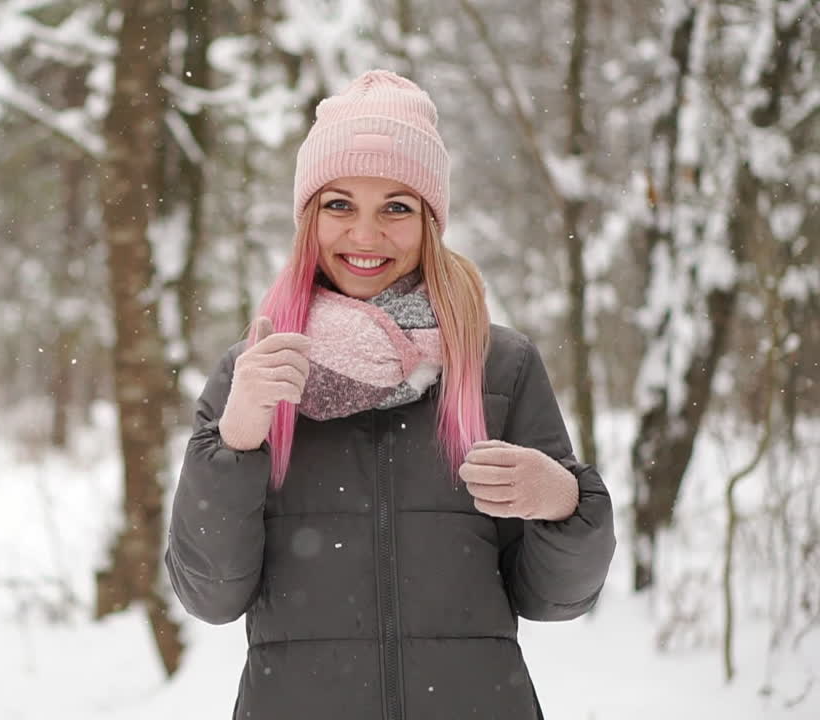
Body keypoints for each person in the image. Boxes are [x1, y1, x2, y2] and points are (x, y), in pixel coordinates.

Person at [164, 69, 616, 720]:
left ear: (430, 221)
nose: (365, 236)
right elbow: (210, 596)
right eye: (339, 204)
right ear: (308, 218)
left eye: (396, 208)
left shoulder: (500, 366)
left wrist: (564, 502)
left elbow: (555, 600)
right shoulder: (258, 373)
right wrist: (235, 438)